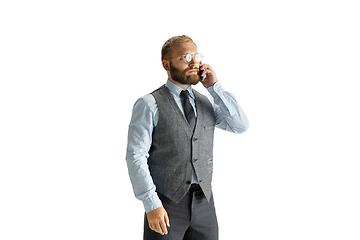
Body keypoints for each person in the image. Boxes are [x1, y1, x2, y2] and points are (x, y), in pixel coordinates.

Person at [125, 35, 249, 240]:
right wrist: (151, 204)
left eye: (196, 56)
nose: (194, 62)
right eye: (185, 57)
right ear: (166, 64)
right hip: (166, 203)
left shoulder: (206, 102)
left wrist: (214, 87)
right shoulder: (148, 104)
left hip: (205, 203)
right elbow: (135, 156)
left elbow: (240, 125)